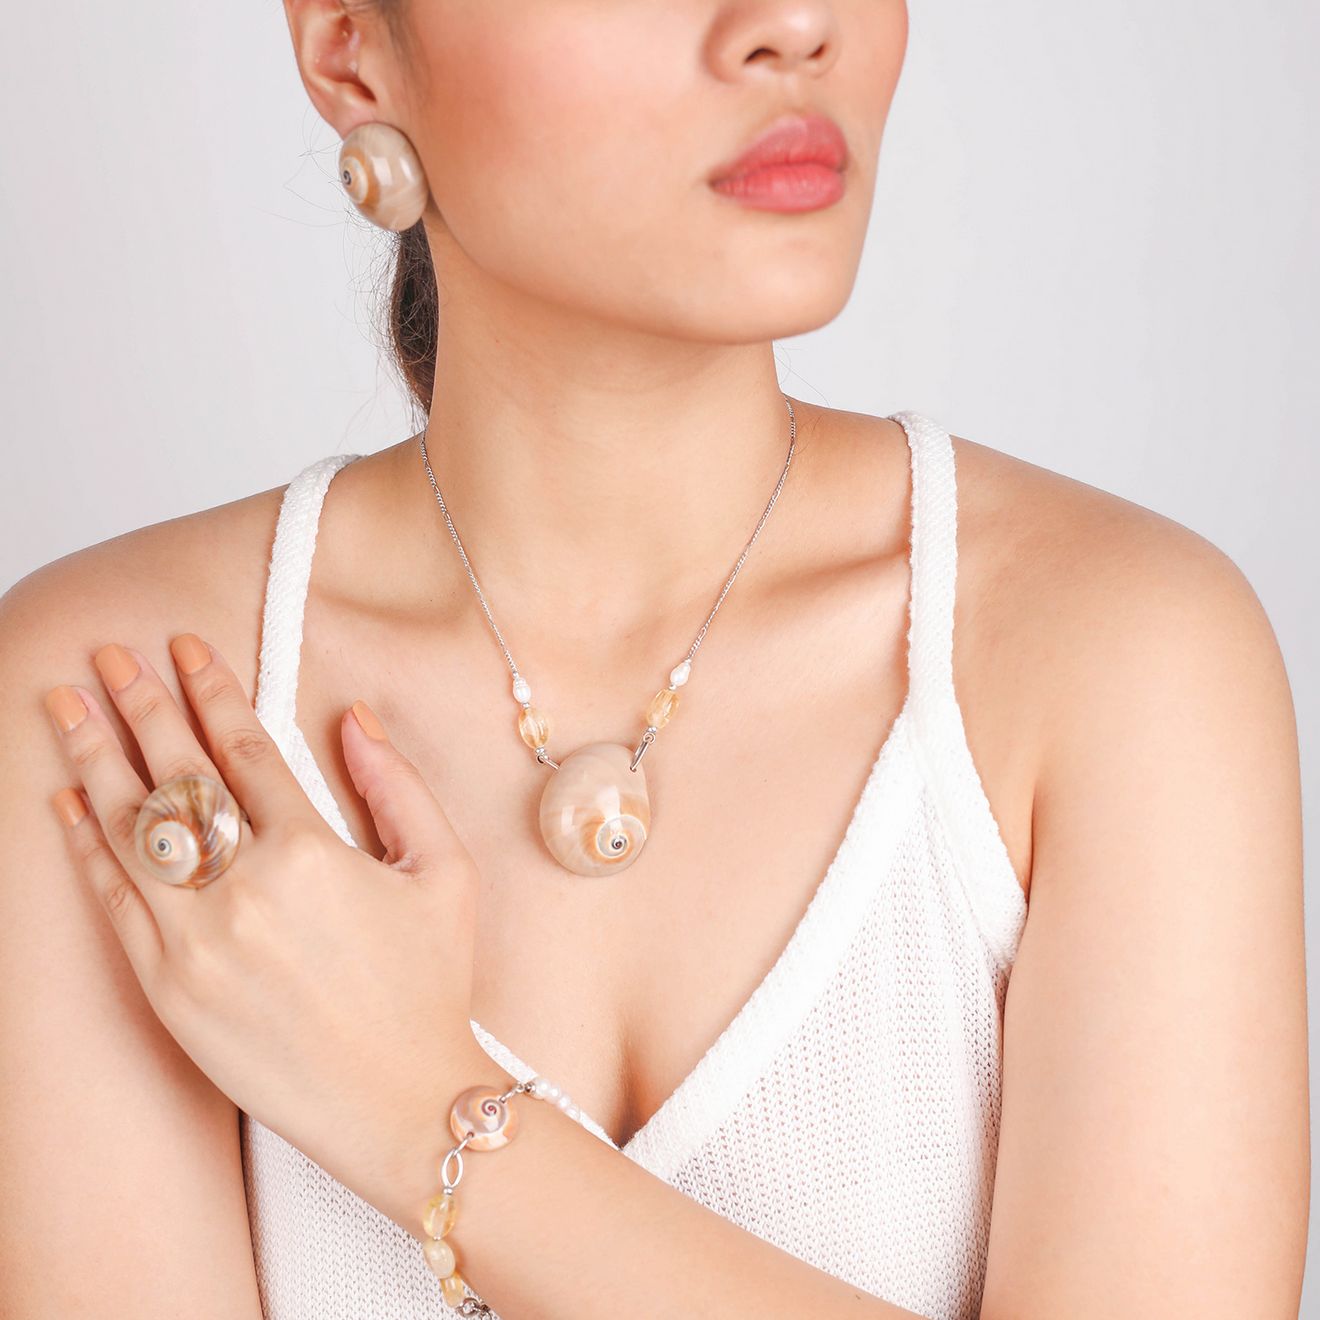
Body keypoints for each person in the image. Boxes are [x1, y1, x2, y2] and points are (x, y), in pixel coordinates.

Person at [0, 1, 1307, 1317]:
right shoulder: (121, 718)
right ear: (350, 49)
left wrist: (415, 1107)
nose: (792, 24)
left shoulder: (1118, 661)